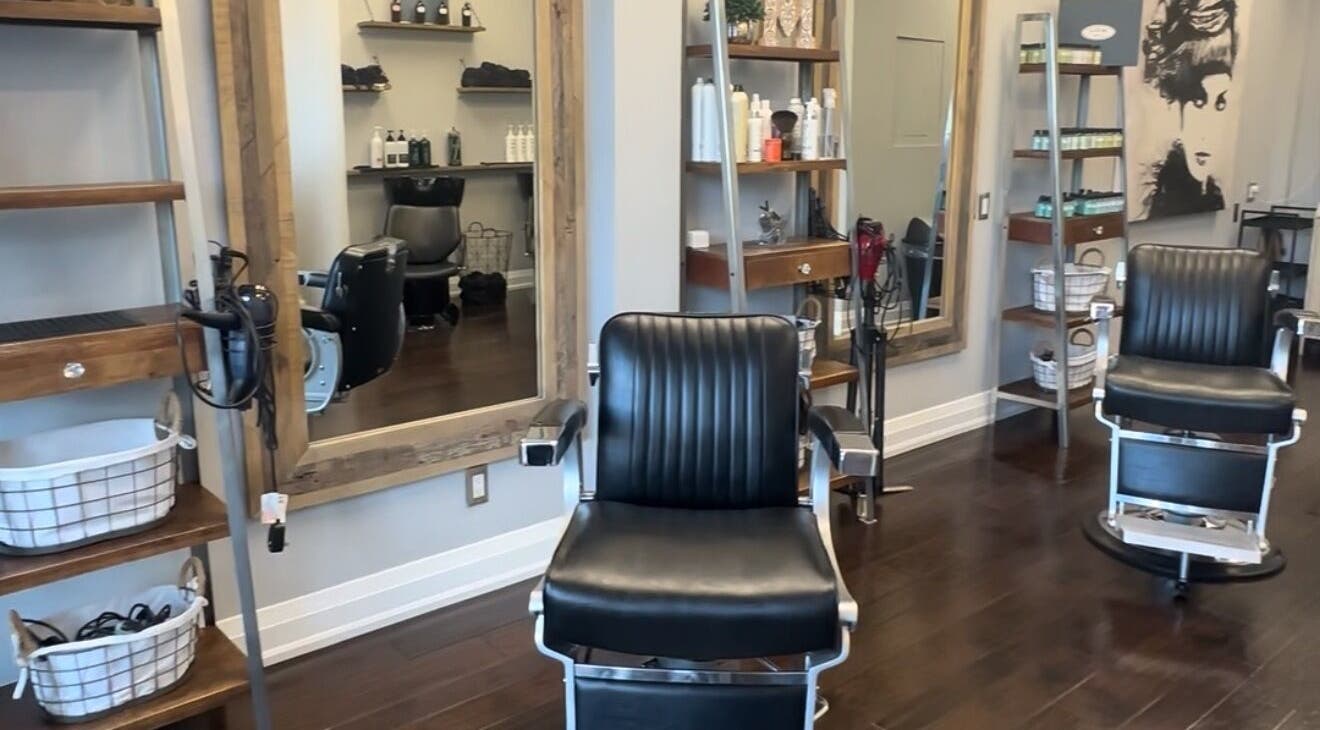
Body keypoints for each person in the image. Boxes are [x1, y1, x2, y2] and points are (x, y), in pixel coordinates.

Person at [1139, 0, 1237, 217]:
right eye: (1198, 102)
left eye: (1220, 104)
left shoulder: (1213, 197)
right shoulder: (1160, 197)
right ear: (1177, 103)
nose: (1208, 130)